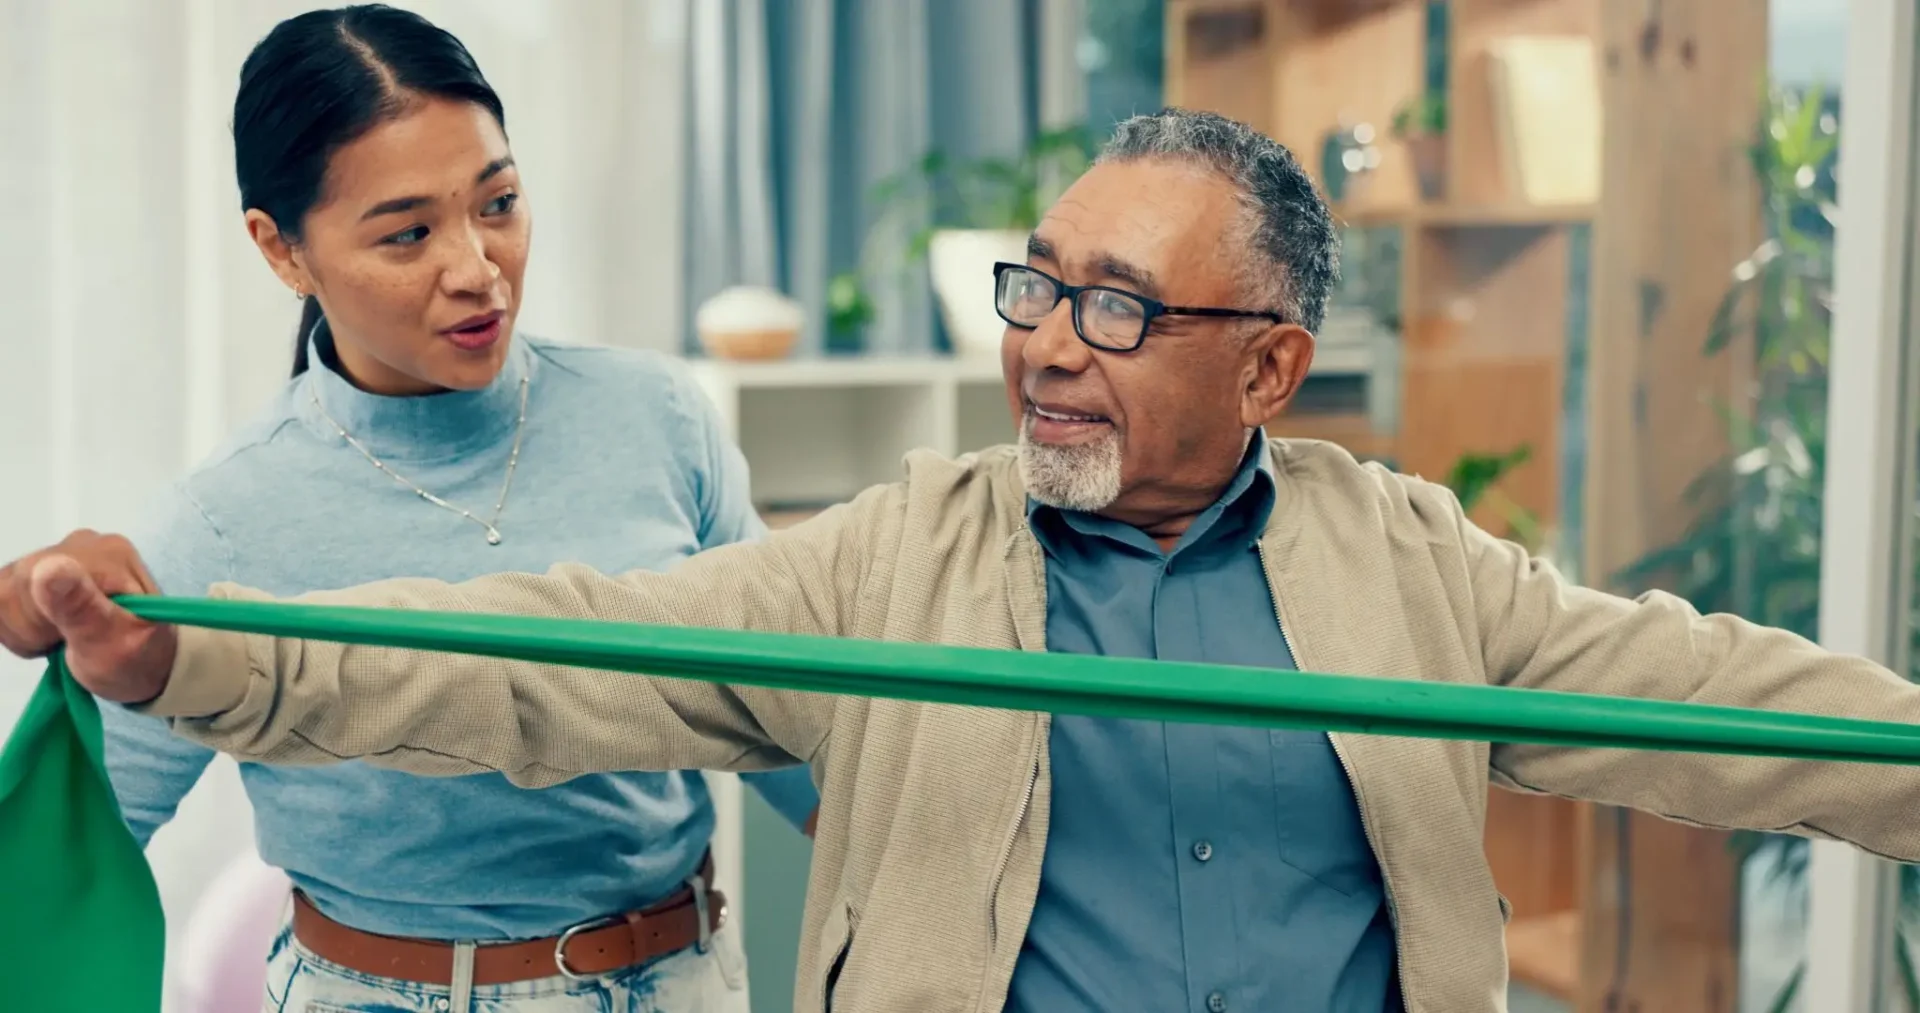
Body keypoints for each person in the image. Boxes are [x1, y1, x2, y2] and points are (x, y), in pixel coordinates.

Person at [8, 108, 1920, 1013]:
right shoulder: (890, 561)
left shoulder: (1414, 565)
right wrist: (190, 659)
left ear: (1268, 366)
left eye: (1116, 307)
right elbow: (548, 655)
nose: (1048, 345)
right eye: (1037, 285)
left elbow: (1707, 694)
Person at [34, 6, 819, 1012]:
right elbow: (73, 845)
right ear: (281, 250)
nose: (477, 269)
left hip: (685, 976)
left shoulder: (657, 415)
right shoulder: (222, 518)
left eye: (499, 203)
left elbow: (782, 715)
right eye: (408, 233)